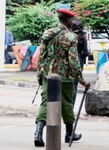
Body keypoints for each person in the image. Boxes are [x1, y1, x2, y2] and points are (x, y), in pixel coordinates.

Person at [34, 9, 91, 147]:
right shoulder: (71, 37)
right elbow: (74, 61)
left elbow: (41, 55)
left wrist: (40, 73)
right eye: (71, 20)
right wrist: (82, 80)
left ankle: (38, 132)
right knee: (66, 103)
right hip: (64, 75)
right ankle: (69, 134)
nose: (72, 22)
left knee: (45, 102)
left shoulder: (48, 32)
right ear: (67, 20)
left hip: (48, 73)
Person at [71, 19, 89, 105]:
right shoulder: (82, 36)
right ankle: (71, 107)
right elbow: (86, 52)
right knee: (74, 85)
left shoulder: (68, 35)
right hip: (79, 60)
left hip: (66, 62)